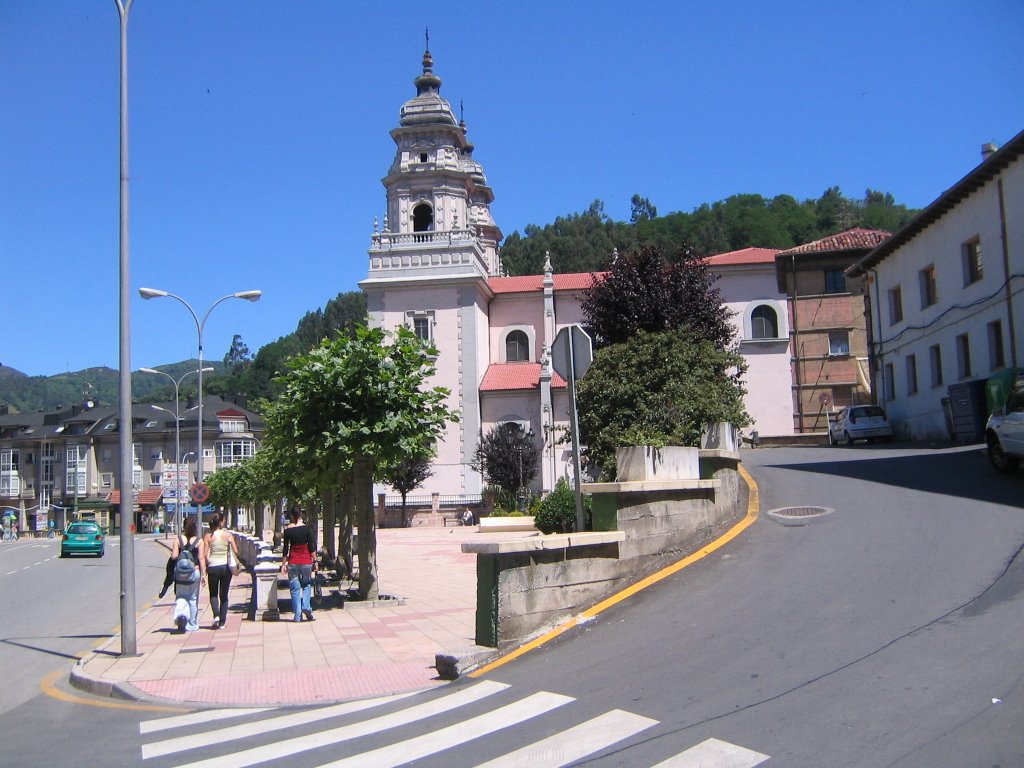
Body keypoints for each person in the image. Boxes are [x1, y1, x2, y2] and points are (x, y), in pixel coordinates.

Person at [203, 512, 240, 629]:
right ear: (220, 522)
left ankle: (216, 615)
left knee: (213, 594)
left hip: (213, 567)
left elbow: (204, 555)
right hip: (225, 567)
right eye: (223, 521)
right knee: (224, 595)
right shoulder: (228, 535)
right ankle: (222, 622)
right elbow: (236, 551)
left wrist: (205, 569)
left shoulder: (208, 537)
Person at [280, 506, 317, 622]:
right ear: (301, 514)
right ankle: (306, 606)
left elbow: (285, 549)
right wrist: (315, 561)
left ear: (291, 515)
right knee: (306, 585)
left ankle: (297, 615)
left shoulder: (287, 530)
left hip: (293, 562)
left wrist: (283, 565)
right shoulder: (307, 529)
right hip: (306, 561)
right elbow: (312, 547)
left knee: (295, 589)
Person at [171, 516, 204, 632]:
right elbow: (201, 558)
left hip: (180, 573)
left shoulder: (178, 539)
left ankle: (181, 616)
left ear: (183, 527)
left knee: (181, 596)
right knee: (193, 598)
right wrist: (204, 574)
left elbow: (174, 556)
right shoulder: (199, 541)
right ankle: (193, 624)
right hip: (194, 571)